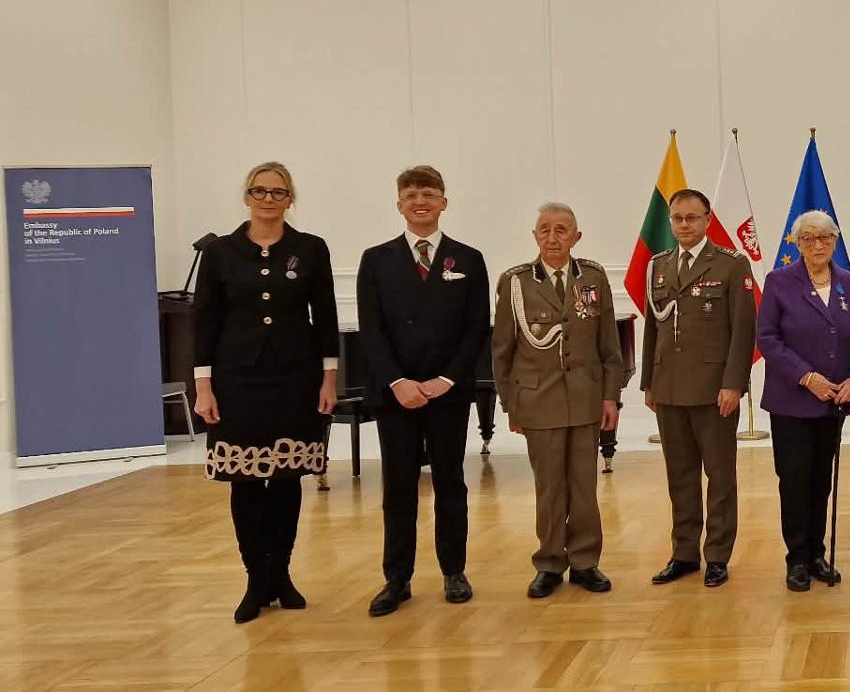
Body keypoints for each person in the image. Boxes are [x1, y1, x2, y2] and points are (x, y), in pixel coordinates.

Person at [192, 161, 338, 623]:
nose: (268, 199)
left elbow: (327, 319)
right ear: (247, 196)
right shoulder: (220, 253)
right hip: (237, 382)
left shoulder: (310, 249)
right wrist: (203, 386)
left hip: (295, 379)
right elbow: (204, 322)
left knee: (288, 477)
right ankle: (256, 578)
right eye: (260, 191)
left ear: (290, 199)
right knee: (248, 481)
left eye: (278, 192)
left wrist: (328, 378)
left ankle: (283, 574)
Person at [357, 165, 490, 616]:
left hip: (446, 393)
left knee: (451, 482)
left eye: (430, 194)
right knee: (398, 487)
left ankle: (454, 570)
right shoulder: (375, 260)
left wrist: (446, 379)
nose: (421, 201)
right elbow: (371, 331)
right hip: (397, 394)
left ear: (443, 203)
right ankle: (397, 578)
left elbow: (475, 329)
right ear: (399, 204)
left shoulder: (468, 259)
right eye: (412, 194)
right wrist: (398, 382)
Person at [492, 202, 627, 599]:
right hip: (538, 401)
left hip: (585, 399)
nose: (553, 237)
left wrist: (610, 398)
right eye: (545, 230)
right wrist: (511, 404)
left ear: (576, 237)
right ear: (535, 236)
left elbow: (609, 347)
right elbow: (502, 350)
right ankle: (550, 562)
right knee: (550, 486)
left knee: (584, 485)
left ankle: (585, 561)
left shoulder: (594, 278)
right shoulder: (515, 282)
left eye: (562, 230)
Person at [639, 189, 756, 589]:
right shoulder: (658, 265)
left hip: (713, 391)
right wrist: (649, 383)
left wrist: (733, 384)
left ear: (707, 219)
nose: (684, 225)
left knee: (720, 477)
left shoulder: (730, 264)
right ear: (670, 221)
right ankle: (684, 552)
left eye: (692, 218)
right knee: (680, 477)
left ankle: (718, 555)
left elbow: (743, 332)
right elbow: (652, 328)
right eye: (677, 219)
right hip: (669, 389)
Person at [756, 210, 850, 592]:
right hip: (792, 400)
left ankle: (816, 554)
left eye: (824, 237)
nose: (817, 244)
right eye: (808, 238)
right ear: (797, 244)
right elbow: (768, 339)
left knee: (820, 480)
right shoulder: (779, 282)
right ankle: (796, 559)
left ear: (835, 241)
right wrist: (807, 377)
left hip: (834, 403)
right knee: (794, 480)